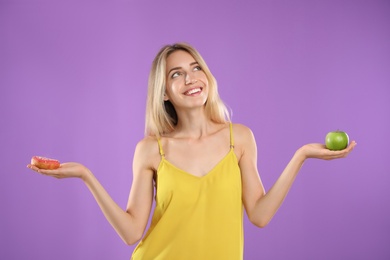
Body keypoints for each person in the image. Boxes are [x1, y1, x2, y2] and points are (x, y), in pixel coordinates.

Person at [27, 43, 356, 260]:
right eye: (176, 74)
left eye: (196, 68)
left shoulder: (238, 138)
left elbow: (259, 214)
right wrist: (85, 175)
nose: (191, 78)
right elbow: (130, 233)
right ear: (165, 93)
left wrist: (301, 156)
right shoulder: (152, 150)